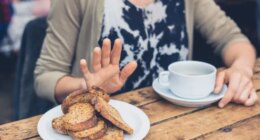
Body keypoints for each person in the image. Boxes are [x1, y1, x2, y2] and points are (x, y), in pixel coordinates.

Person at [34, 0, 258, 108]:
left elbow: (232, 39)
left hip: (177, 123)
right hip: (104, 126)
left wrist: (241, 69)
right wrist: (86, 87)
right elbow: (45, 76)